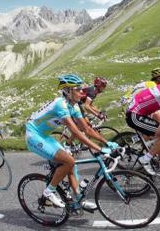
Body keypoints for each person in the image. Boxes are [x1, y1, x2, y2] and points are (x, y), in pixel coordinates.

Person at [26, 74, 115, 210]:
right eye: (78, 89)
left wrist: (106, 142)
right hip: (34, 135)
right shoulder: (60, 104)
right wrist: (100, 149)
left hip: (44, 135)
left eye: (81, 88)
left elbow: (86, 129)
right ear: (68, 91)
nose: (82, 91)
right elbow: (77, 133)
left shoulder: (74, 106)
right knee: (69, 161)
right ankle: (49, 192)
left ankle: (78, 199)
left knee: (71, 164)